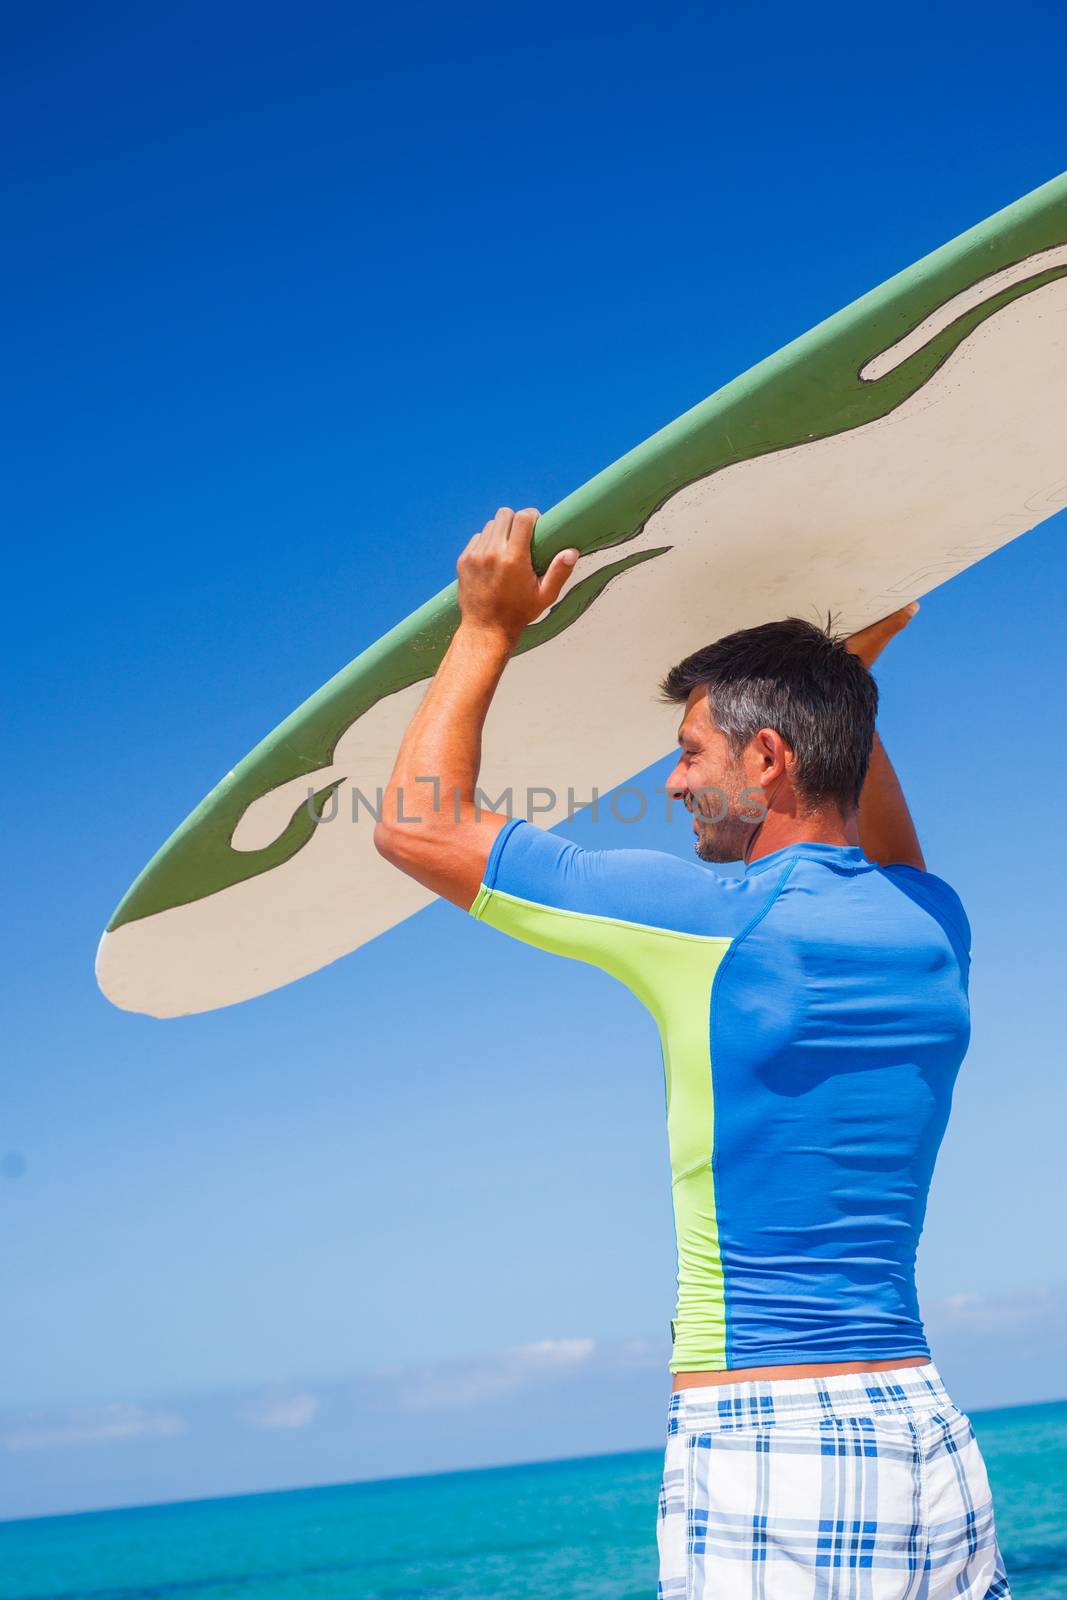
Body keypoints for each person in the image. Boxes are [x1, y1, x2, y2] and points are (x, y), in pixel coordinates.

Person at [374, 506, 1011, 1598]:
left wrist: (486, 626)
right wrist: (846, 689)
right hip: (928, 1440)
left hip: (771, 1440)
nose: (670, 784)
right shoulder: (930, 927)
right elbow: (880, 846)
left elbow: (417, 826)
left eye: (687, 753)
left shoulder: (714, 921)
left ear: (765, 757)